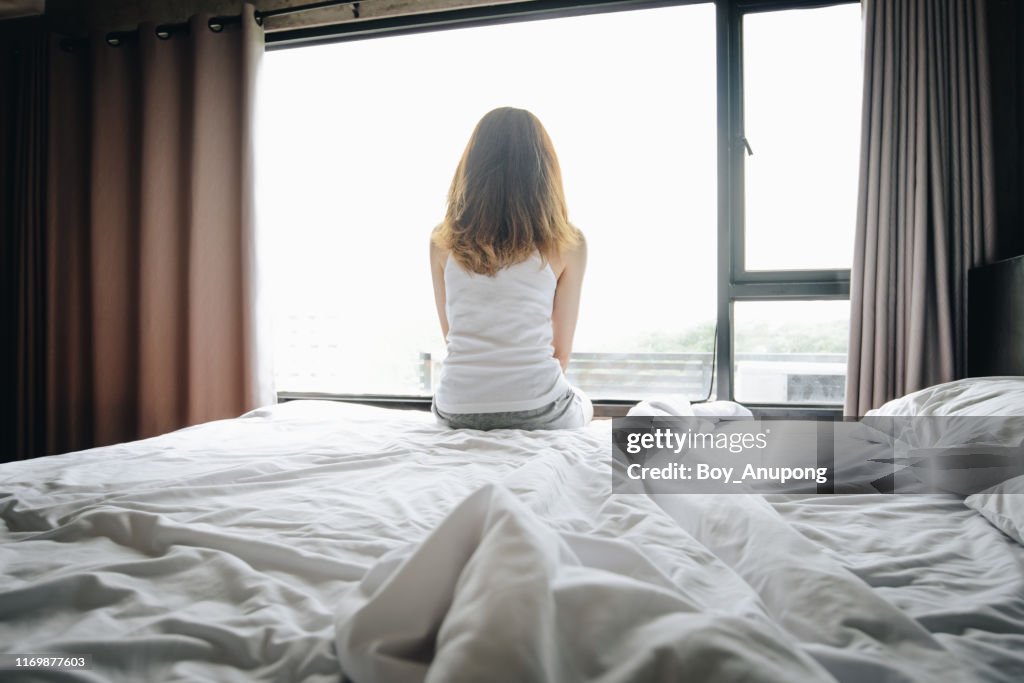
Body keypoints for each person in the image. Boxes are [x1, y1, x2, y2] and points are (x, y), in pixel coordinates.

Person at [429, 107, 593, 430]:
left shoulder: (442, 242)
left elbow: (454, 337)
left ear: (472, 168)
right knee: (583, 402)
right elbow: (560, 355)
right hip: (538, 407)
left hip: (455, 407)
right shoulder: (569, 244)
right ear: (544, 172)